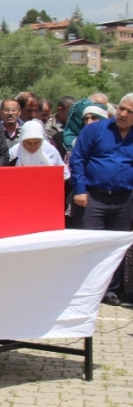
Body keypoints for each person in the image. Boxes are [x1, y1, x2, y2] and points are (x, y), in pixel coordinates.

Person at [69, 93, 133, 306]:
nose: (123, 114)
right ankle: (87, 289)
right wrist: (80, 190)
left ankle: (110, 291)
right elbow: (77, 159)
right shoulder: (95, 130)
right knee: (91, 245)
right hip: (92, 197)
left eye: (129, 111)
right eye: (121, 108)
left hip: (124, 199)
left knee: (116, 247)